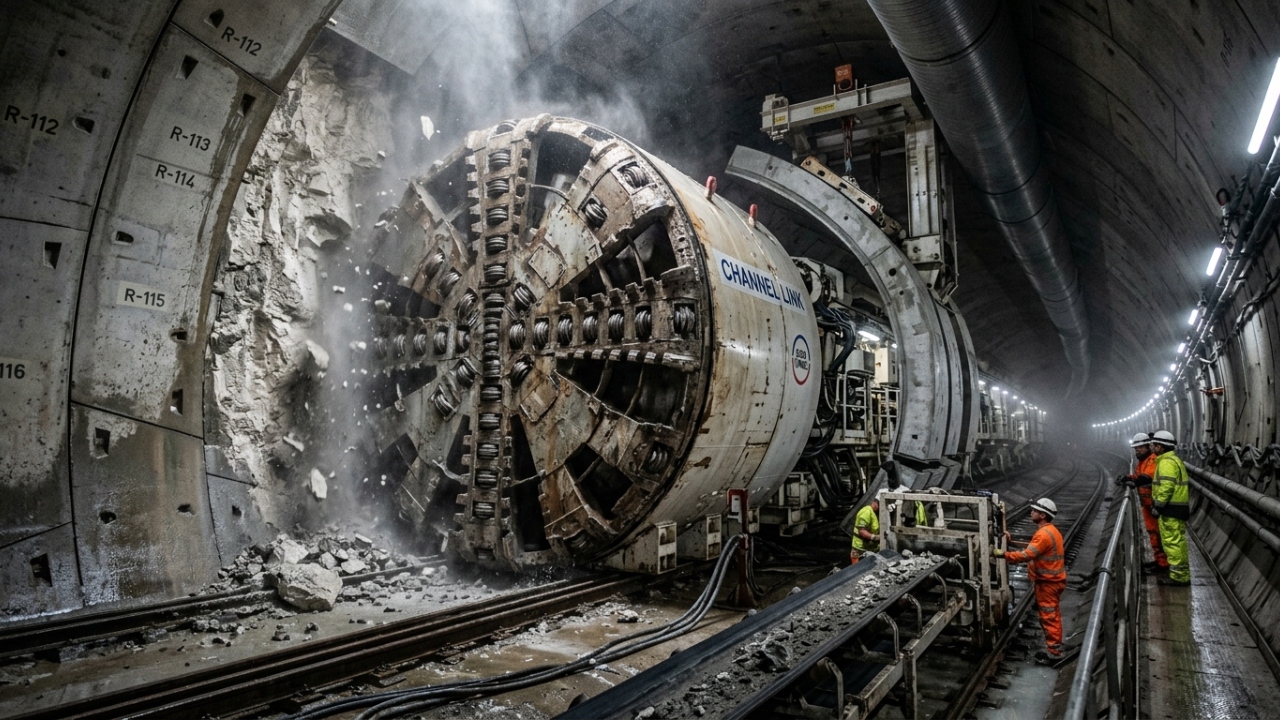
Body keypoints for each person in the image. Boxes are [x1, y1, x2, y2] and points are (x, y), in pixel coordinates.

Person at [994, 498, 1066, 662]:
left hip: (1048, 583)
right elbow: (1034, 548)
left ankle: (1055, 653)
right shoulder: (1050, 531)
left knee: (1049, 616)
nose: (1031, 512)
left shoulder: (1042, 535)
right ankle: (1053, 648)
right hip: (1051, 581)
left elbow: (1027, 555)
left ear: (1042, 515)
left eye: (1034, 511)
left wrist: (1003, 554)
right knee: (1050, 615)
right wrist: (1011, 542)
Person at [1116, 432, 1168, 573]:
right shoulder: (1142, 462)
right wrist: (1126, 477)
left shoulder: (1152, 460)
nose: (1137, 450)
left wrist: (1132, 481)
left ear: (1148, 446)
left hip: (1155, 506)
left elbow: (1145, 478)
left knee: (1159, 535)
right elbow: (1138, 476)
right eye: (1135, 448)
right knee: (1153, 533)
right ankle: (1159, 561)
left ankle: (1163, 564)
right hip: (1147, 505)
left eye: (1139, 447)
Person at [1150, 430, 1191, 586]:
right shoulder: (1175, 460)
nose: (1152, 447)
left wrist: (1158, 507)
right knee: (1178, 542)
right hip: (1177, 508)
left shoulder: (1166, 463)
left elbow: (1167, 487)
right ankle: (1181, 574)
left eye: (1154, 444)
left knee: (1172, 542)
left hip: (1170, 509)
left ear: (1161, 447)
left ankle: (1178, 577)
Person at [851, 498, 880, 564]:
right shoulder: (866, 512)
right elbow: (862, 531)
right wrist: (876, 537)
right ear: (876, 503)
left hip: (871, 547)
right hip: (860, 548)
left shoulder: (876, 513)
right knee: (857, 570)